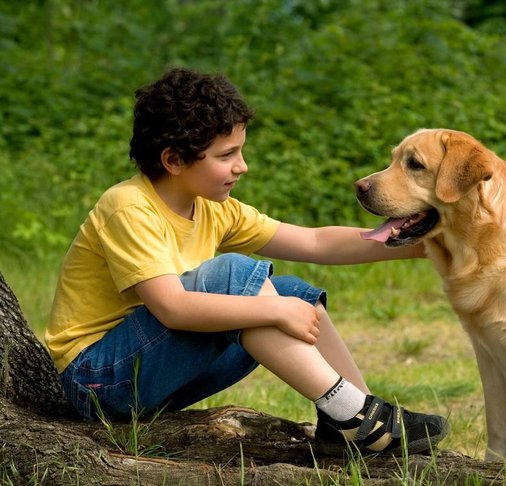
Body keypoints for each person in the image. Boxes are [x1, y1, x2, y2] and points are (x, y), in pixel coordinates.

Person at [45, 67, 448, 456]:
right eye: (227, 155)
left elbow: (314, 242)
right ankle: (355, 417)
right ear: (173, 161)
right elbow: (172, 307)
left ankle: (358, 419)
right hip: (97, 380)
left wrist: (415, 243)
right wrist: (273, 308)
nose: (242, 165)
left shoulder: (212, 208)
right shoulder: (129, 207)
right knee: (238, 275)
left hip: (151, 371)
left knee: (295, 295)